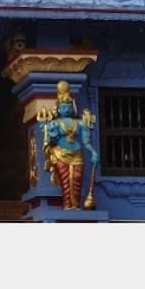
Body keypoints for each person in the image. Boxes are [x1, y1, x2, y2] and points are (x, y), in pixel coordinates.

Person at [37, 81, 99, 211]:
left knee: (76, 179)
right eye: (63, 107)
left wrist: (93, 152)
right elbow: (50, 139)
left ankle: (75, 205)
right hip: (60, 153)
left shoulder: (79, 123)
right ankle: (67, 205)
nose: (66, 109)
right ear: (58, 109)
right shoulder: (55, 123)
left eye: (69, 106)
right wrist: (47, 130)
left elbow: (86, 142)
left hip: (77, 154)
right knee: (65, 180)